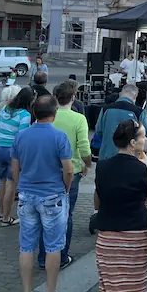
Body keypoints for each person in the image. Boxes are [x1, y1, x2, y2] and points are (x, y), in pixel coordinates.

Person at [11, 95, 73, 292]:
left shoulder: (21, 136)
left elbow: (14, 167)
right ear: (54, 114)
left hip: (27, 194)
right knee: (53, 245)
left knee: (26, 246)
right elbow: (68, 169)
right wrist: (65, 187)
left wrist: (21, 187)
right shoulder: (59, 136)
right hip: (52, 194)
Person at [94, 119, 147, 292]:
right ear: (133, 143)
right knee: (135, 290)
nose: (145, 139)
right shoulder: (142, 168)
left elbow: (99, 197)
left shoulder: (102, 167)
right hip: (135, 237)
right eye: (143, 135)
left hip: (108, 238)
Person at [37, 81, 92, 269]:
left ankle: (43, 256)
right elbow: (84, 146)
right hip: (71, 170)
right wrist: (87, 164)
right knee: (65, 214)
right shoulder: (78, 119)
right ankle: (61, 256)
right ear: (73, 98)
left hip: (46, 170)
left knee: (45, 214)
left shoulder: (47, 116)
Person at [0, 86, 34, 225]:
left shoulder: (4, 110)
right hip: (13, 152)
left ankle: (1, 212)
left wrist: (0, 142)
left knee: (2, 182)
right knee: (11, 184)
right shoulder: (25, 115)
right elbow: (22, 136)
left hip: (0, 149)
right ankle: (6, 217)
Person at [96, 84, 147, 161]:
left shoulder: (105, 109)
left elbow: (98, 131)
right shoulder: (139, 112)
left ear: (120, 94)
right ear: (135, 96)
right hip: (130, 159)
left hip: (106, 158)